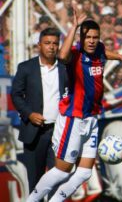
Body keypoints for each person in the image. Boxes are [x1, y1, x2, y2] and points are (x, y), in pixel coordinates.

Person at [26, 8, 122, 202]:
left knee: (85, 173)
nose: (92, 41)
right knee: (62, 171)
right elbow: (62, 55)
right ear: (81, 38)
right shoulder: (75, 54)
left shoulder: (99, 49)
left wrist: (121, 57)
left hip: (91, 118)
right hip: (73, 118)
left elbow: (105, 52)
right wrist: (74, 26)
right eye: (88, 37)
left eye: (95, 37)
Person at [11, 27, 66, 194]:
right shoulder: (26, 68)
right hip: (34, 133)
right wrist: (29, 114)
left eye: (55, 43)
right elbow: (16, 95)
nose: (51, 47)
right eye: (47, 43)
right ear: (39, 45)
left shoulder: (64, 69)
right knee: (35, 182)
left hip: (58, 132)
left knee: (58, 180)